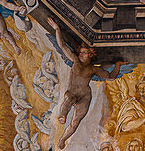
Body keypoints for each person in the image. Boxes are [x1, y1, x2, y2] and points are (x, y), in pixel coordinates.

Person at [47, 18, 123, 150]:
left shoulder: (94, 69)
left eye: (85, 53)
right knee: (69, 98)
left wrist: (117, 65)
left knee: (75, 122)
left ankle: (63, 139)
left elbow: (111, 76)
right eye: (81, 52)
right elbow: (62, 46)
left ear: (90, 55)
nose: (81, 54)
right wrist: (57, 29)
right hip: (72, 93)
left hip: (85, 96)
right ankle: (63, 115)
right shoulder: (75, 61)